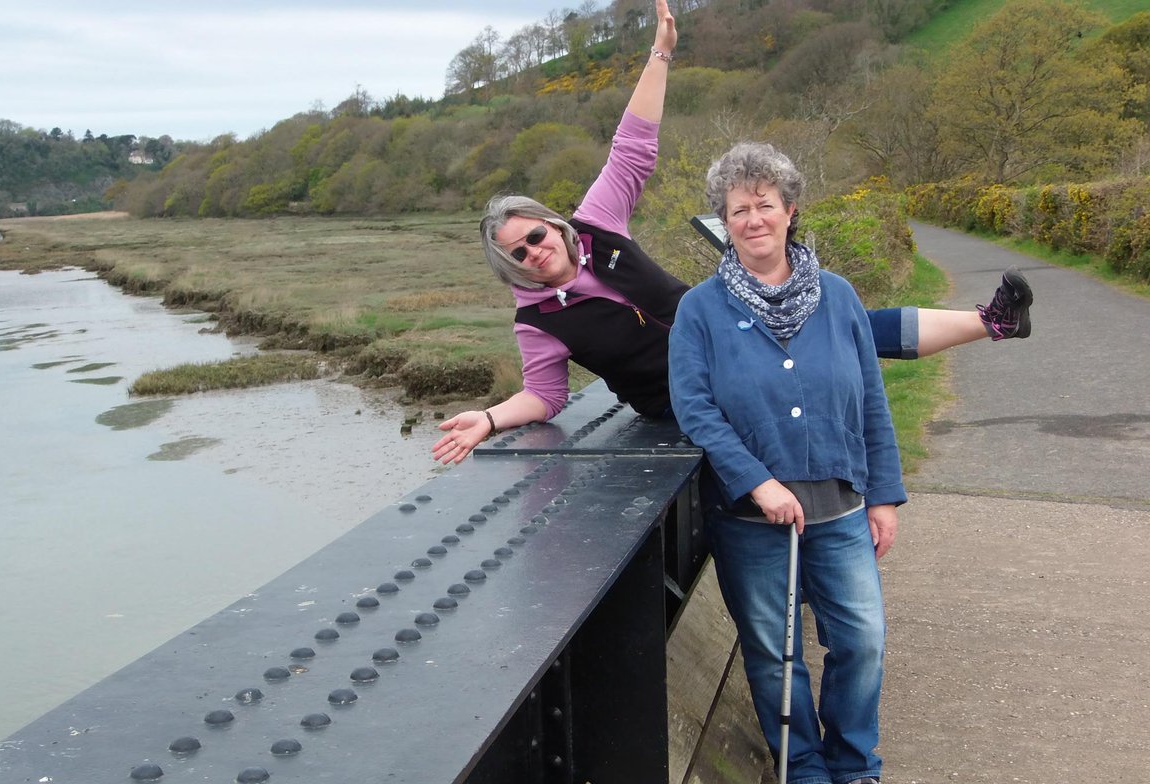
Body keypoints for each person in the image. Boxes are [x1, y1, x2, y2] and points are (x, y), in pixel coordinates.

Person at [432, 0, 1033, 466]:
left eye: (535, 236)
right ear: (509, 266)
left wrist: (661, 54)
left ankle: (992, 322)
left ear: (552, 225)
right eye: (517, 254)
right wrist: (488, 418)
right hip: (684, 403)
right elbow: (546, 395)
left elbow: (633, 146)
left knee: (843, 322)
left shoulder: (597, 223)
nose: (534, 254)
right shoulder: (536, 321)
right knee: (822, 353)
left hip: (731, 341)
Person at [668, 140, 905, 784]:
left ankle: (855, 762)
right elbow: (695, 408)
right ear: (724, 220)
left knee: (861, 638)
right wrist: (757, 482)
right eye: (737, 209)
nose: (752, 219)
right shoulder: (700, 311)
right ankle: (803, 769)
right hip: (752, 519)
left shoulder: (840, 298)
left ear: (789, 210)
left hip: (841, 508)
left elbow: (870, 402)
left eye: (763, 204)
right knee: (777, 652)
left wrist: (885, 494)